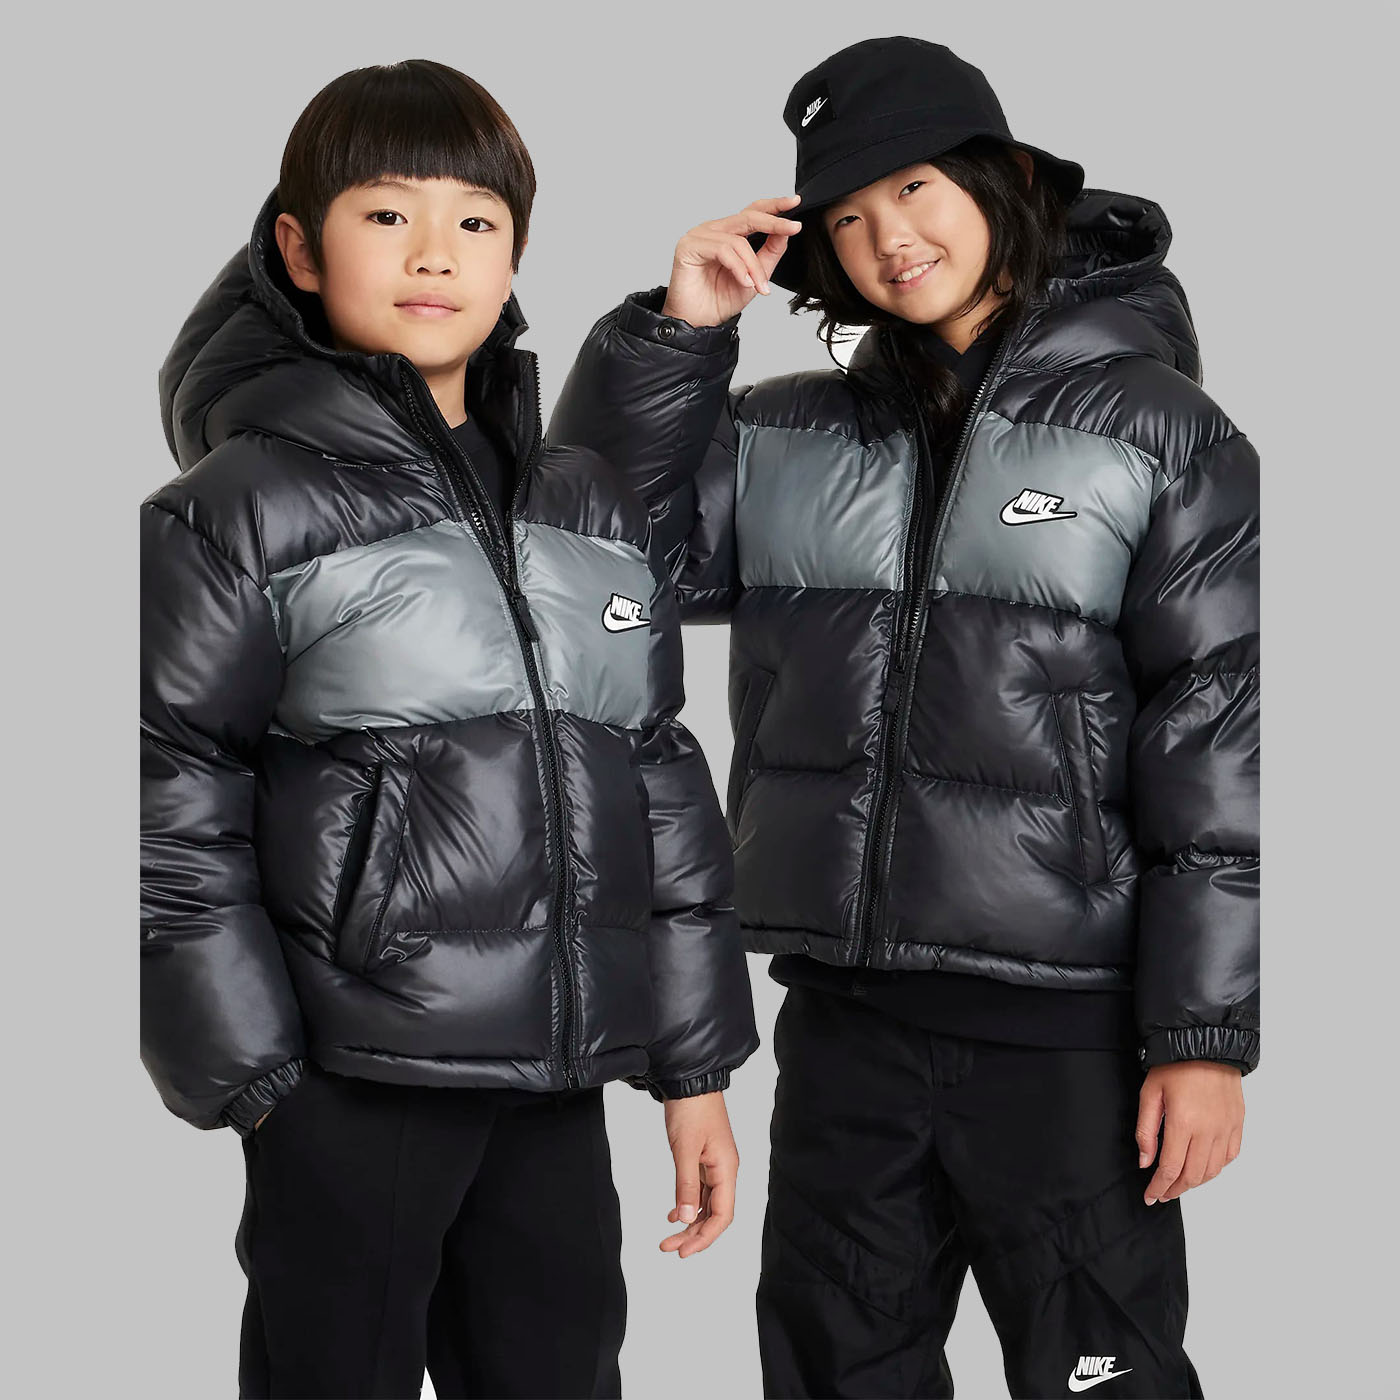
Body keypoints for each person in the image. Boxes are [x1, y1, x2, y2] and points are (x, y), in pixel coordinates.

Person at [550, 35, 1258, 1400]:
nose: (890, 238)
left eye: (917, 188)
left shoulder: (1163, 433)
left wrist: (1202, 1037)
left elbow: (1217, 741)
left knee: (1104, 1377)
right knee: (835, 1369)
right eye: (849, 216)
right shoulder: (784, 432)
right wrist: (678, 335)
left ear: (1005, 181)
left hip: (1068, 1032)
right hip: (844, 1016)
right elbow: (597, 570)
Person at [140, 59, 758, 1400]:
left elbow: (658, 776)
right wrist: (258, 1082)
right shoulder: (237, 506)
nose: (435, 253)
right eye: (386, 214)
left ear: (515, 253)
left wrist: (694, 1067)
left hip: (557, 1078)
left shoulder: (584, 502)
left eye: (475, 220)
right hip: (351, 1079)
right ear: (300, 249)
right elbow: (170, 799)